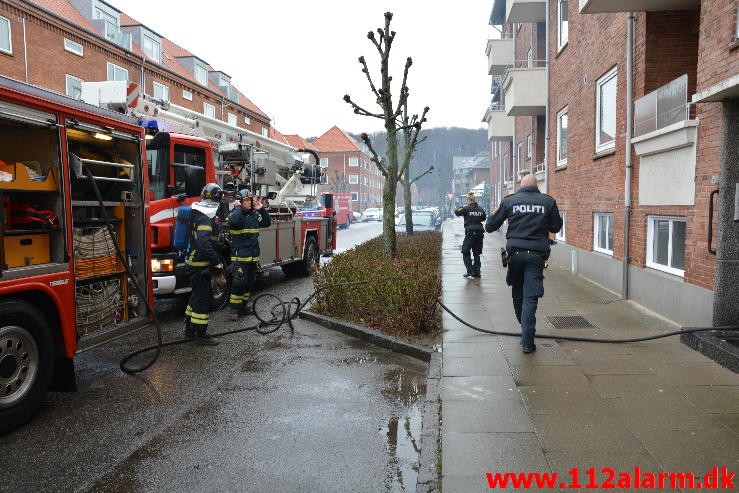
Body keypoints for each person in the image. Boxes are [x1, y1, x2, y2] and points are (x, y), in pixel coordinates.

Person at [485, 174, 562, 353]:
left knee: (518, 294)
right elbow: (556, 227)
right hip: (536, 256)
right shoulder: (548, 202)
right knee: (530, 297)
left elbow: (489, 226)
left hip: (516, 255)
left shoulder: (510, 201)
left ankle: (525, 329)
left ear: (520, 185)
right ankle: (527, 339)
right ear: (537, 186)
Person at [183, 183, 224, 346]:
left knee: (196, 295)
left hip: (194, 260)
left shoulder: (198, 211)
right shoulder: (207, 214)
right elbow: (203, 242)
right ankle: (200, 334)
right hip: (200, 263)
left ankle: (189, 330)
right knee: (203, 298)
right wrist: (216, 261)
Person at [227, 189, 272, 321]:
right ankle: (233, 310)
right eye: (247, 200)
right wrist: (238, 207)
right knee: (238, 284)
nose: (250, 202)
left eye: (250, 200)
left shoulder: (253, 215)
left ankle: (243, 306)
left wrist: (261, 209)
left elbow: (266, 222)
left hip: (252, 257)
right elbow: (234, 221)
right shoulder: (236, 214)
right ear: (240, 202)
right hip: (240, 257)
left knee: (250, 283)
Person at [454, 191, 486, 278]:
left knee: (465, 251)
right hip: (480, 234)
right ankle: (477, 272)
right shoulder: (480, 208)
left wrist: (462, 207)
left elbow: (456, 212)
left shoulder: (466, 208)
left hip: (471, 233)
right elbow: (484, 218)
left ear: (468, 200)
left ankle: (470, 271)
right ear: (474, 199)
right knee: (476, 253)